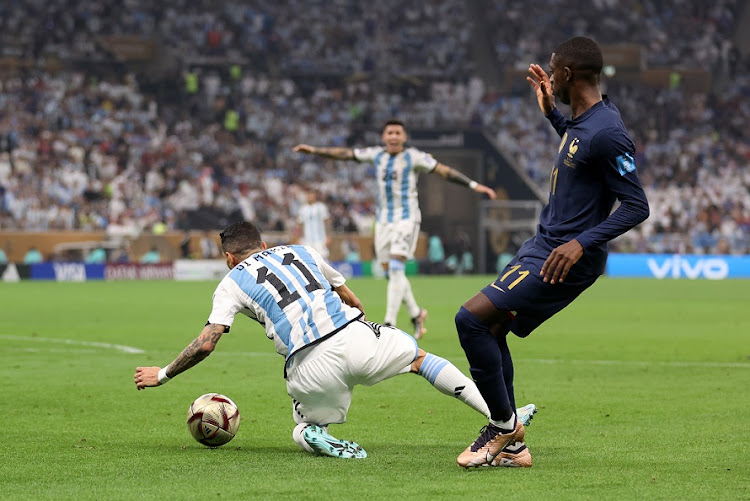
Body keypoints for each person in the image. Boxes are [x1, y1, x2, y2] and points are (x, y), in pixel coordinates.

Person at [134, 221, 535, 459]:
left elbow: (207, 342)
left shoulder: (229, 282)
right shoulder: (302, 251)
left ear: (228, 257)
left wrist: (163, 374)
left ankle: (315, 433)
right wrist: (372, 331)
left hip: (308, 366)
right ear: (264, 244)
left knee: (303, 425)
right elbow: (350, 297)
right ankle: (504, 418)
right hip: (354, 335)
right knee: (420, 360)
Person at [453, 37, 650, 469]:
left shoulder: (609, 130)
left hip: (565, 257)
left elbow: (638, 205)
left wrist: (581, 242)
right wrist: (551, 116)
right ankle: (513, 444)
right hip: (543, 245)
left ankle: (504, 431)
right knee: (489, 328)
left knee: (470, 320)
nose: (547, 73)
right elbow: (581, 154)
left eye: (553, 68)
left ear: (567, 74)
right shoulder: (583, 122)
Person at [293, 119, 496, 339]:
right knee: (391, 273)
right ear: (384, 137)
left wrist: (474, 185)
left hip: (406, 219)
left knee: (397, 269)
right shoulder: (376, 155)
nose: (393, 136)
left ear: (404, 137)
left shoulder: (414, 157)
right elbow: (346, 154)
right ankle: (417, 314)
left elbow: (443, 171)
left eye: (398, 133)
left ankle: (389, 323)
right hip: (383, 222)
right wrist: (314, 150)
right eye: (389, 132)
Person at [297, 190, 331, 259]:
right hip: (307, 239)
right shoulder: (303, 209)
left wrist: (328, 236)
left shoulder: (321, 207)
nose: (310, 197)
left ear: (315, 196)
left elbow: (326, 222)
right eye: (308, 195)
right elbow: (300, 224)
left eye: (311, 195)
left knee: (323, 258)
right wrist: (300, 238)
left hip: (320, 239)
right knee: (308, 258)